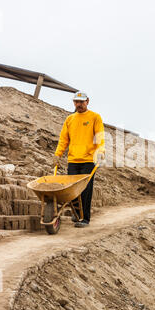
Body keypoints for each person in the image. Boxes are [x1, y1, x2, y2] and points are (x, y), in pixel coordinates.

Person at [53, 91, 105, 227]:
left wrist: (101, 151)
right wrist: (57, 154)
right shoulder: (70, 119)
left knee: (86, 190)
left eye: (81, 102)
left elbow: (99, 136)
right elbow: (64, 139)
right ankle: (77, 215)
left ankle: (85, 218)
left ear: (87, 101)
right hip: (73, 160)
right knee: (72, 190)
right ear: (73, 102)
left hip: (88, 160)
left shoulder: (94, 117)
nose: (79, 104)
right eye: (76, 102)